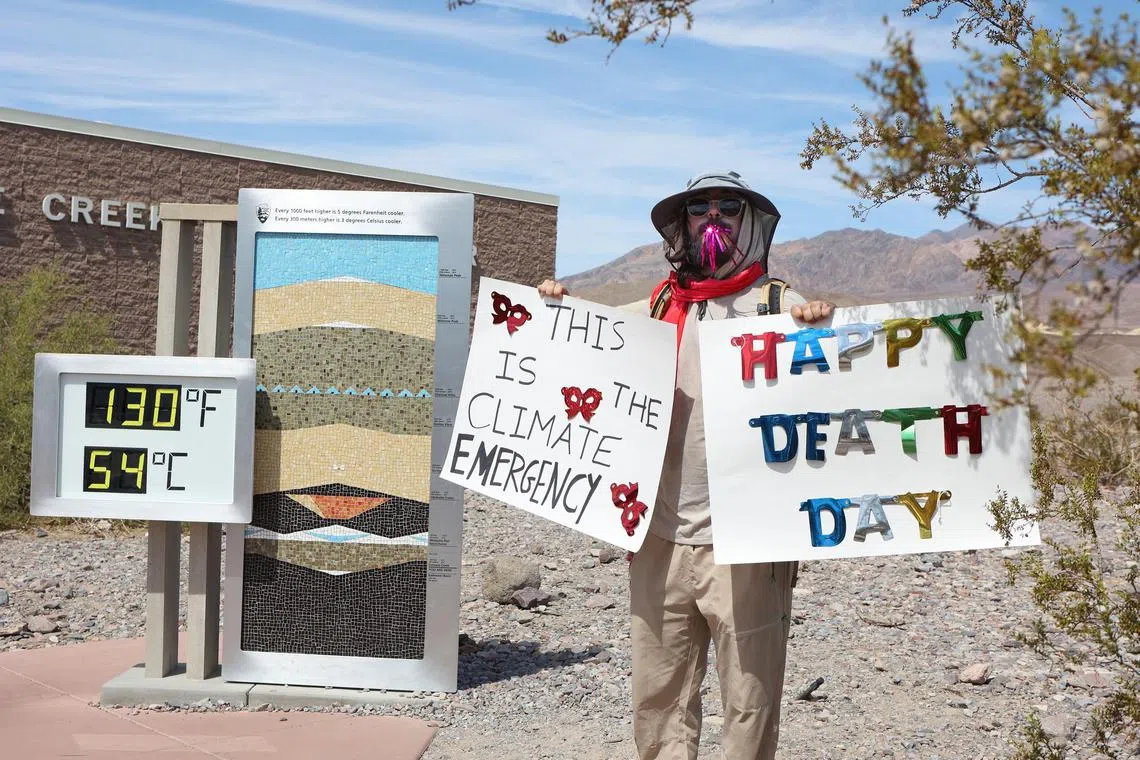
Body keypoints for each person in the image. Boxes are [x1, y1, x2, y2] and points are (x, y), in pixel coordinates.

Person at [539, 170, 833, 760]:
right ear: (685, 223)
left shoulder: (779, 306)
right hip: (658, 536)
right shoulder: (656, 305)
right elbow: (585, 335)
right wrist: (553, 303)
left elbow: (839, 376)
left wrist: (819, 322)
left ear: (749, 223)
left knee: (749, 699)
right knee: (659, 696)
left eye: (729, 208)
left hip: (745, 543)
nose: (714, 218)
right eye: (700, 208)